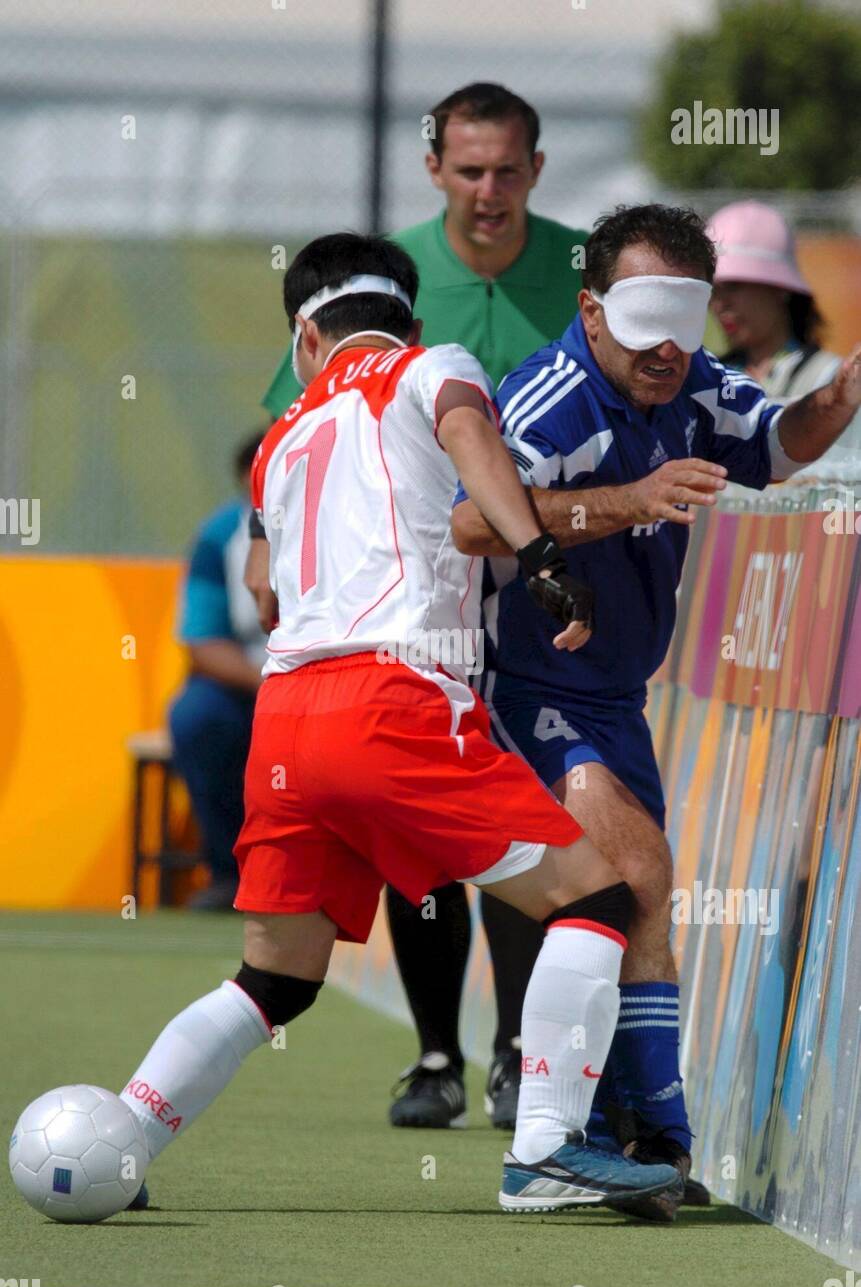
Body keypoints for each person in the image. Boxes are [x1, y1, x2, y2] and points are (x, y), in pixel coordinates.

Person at [121, 231, 686, 1216]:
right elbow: (472, 440)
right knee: (600, 901)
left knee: (275, 978)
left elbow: (263, 592)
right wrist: (539, 559)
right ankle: (547, 1149)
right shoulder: (434, 364)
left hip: (287, 714)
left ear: (306, 336)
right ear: (409, 321)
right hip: (397, 696)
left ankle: (122, 1133)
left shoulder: (280, 440)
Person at [451, 203, 861, 1219]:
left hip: (614, 698)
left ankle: (633, 1141)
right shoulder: (549, 401)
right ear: (590, 313)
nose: (667, 352)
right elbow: (467, 520)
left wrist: (846, 386)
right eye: (642, 329)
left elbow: (781, 445)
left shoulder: (695, 382)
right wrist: (631, 499)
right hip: (522, 688)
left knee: (633, 893)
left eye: (685, 322)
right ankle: (572, 1142)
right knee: (636, 873)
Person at [247, 82, 592, 1131]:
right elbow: (291, 425)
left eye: (507, 171)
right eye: (468, 170)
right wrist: (271, 560)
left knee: (526, 826)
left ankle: (518, 1054)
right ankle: (439, 1049)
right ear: (434, 169)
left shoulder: (586, 269)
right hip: (415, 606)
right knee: (427, 836)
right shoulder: (377, 282)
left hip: (551, 592)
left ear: (538, 170)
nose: (488, 192)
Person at [169, 434, 266, 911]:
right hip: (256, 680)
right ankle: (230, 873)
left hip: (334, 675)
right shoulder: (220, 536)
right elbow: (202, 642)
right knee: (197, 716)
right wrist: (268, 684)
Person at [707, 200, 841, 398]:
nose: (719, 304)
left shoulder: (832, 379)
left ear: (780, 288)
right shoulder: (707, 378)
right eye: (712, 290)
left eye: (733, 286)